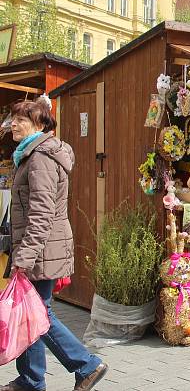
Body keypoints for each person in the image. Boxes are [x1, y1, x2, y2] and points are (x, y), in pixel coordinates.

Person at [1, 98, 107, 391]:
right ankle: (31, 379)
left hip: (40, 250)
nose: (13, 124)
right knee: (30, 313)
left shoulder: (40, 159)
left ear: (39, 124)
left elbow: (41, 213)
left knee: (38, 313)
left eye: (20, 119)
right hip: (38, 248)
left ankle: (86, 365)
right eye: (12, 118)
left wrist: (24, 256)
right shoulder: (30, 155)